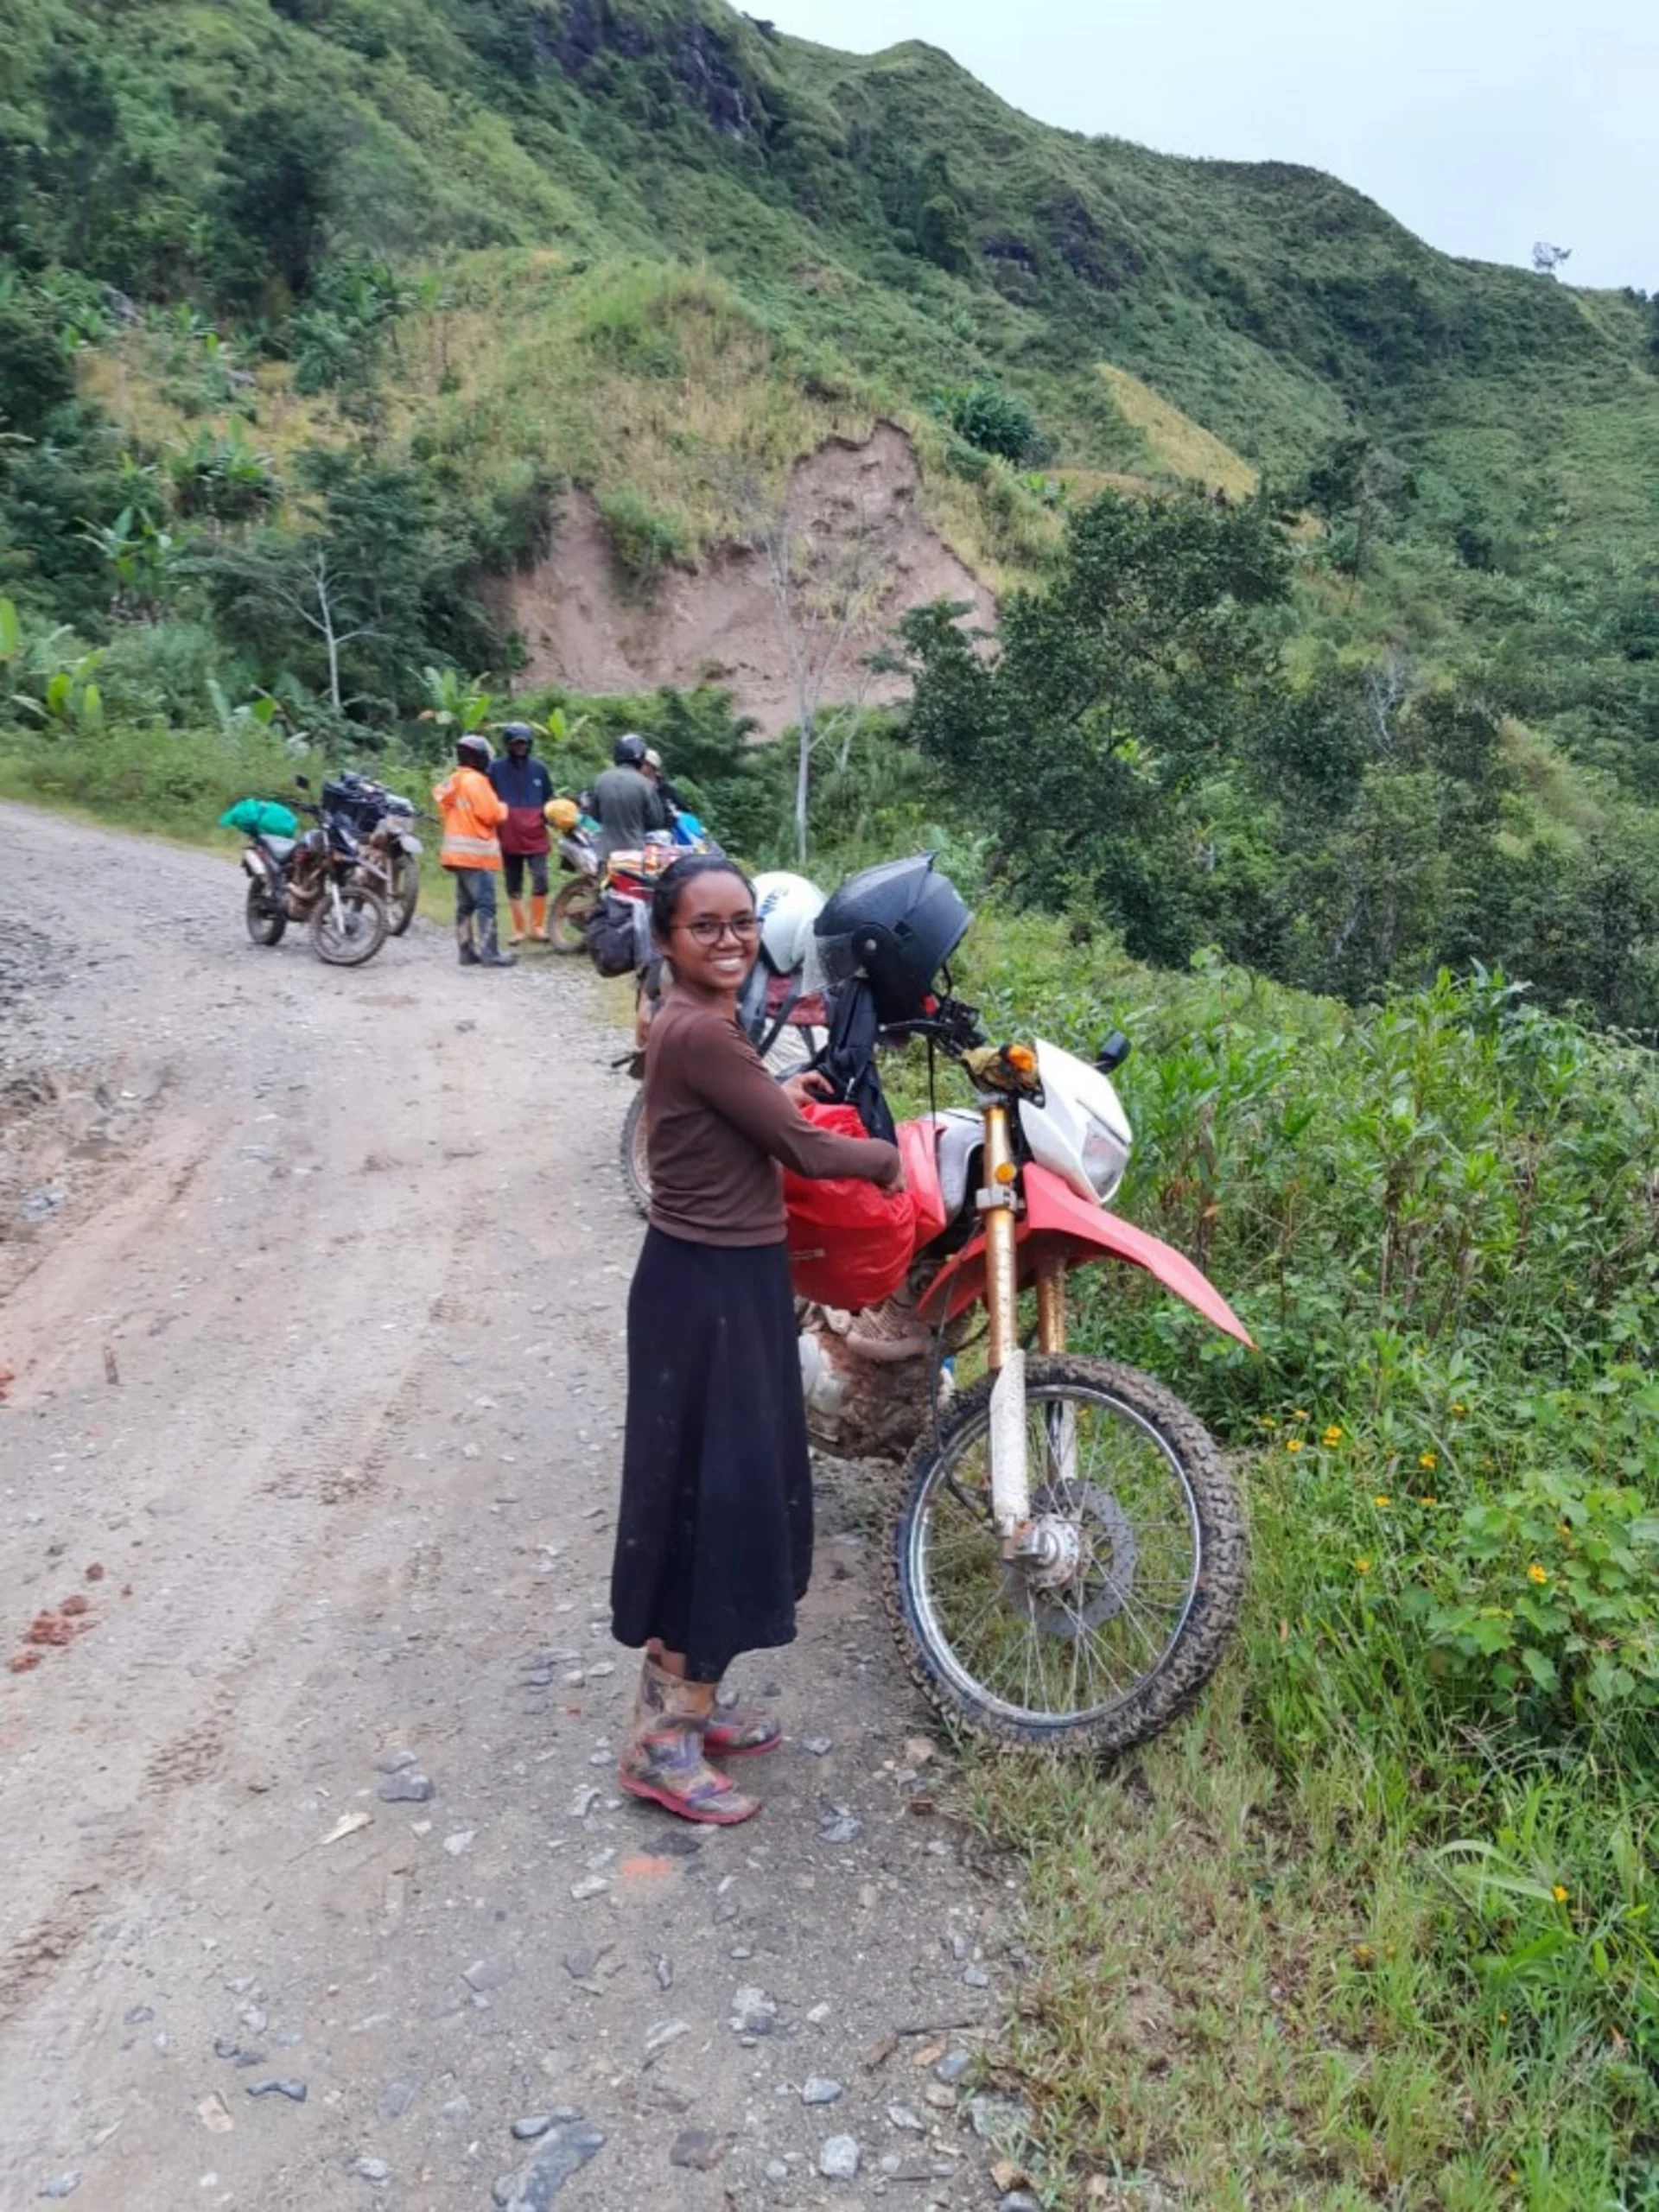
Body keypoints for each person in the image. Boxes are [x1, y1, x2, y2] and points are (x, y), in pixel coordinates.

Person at [610, 855, 904, 1825]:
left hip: (718, 1279)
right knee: (713, 1501)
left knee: (718, 1494)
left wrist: (798, 1083)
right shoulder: (700, 1031)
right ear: (666, 938)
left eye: (742, 922)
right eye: (706, 926)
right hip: (706, 1294)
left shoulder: (705, 1024)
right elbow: (806, 1148)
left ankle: (688, 1700)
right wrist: (899, 1156)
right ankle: (660, 1746)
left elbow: (756, 1113)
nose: (730, 939)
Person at [432, 733, 514, 969]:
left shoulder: (455, 780)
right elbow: (491, 815)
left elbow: (439, 797)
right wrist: (503, 807)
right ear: (479, 758)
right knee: (485, 904)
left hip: (455, 853)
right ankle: (490, 953)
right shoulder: (477, 782)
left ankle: (466, 950)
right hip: (476, 853)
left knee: (465, 905)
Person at [486, 721, 555, 944]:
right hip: (508, 834)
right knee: (513, 882)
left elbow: (548, 800)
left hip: (535, 834)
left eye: (524, 743)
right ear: (508, 745)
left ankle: (537, 927)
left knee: (541, 879)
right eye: (516, 743)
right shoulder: (495, 769)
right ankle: (519, 929)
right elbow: (488, 800)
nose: (520, 747)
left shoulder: (539, 769)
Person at [589, 732, 668, 860]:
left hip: (606, 852)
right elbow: (656, 821)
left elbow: (594, 814)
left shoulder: (601, 780)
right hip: (633, 854)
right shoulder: (646, 785)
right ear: (640, 757)